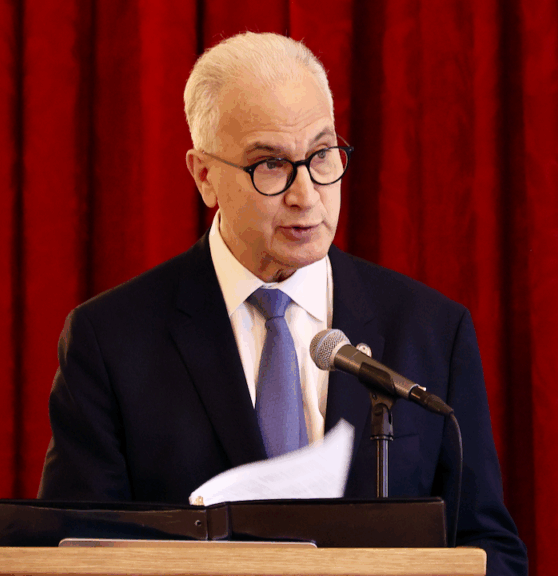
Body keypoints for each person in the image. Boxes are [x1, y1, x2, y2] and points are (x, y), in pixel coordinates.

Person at [38, 32, 527, 575]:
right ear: (204, 175)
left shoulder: (432, 330)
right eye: (271, 165)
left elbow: (491, 551)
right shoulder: (111, 341)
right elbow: (73, 557)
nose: (307, 194)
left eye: (321, 155)